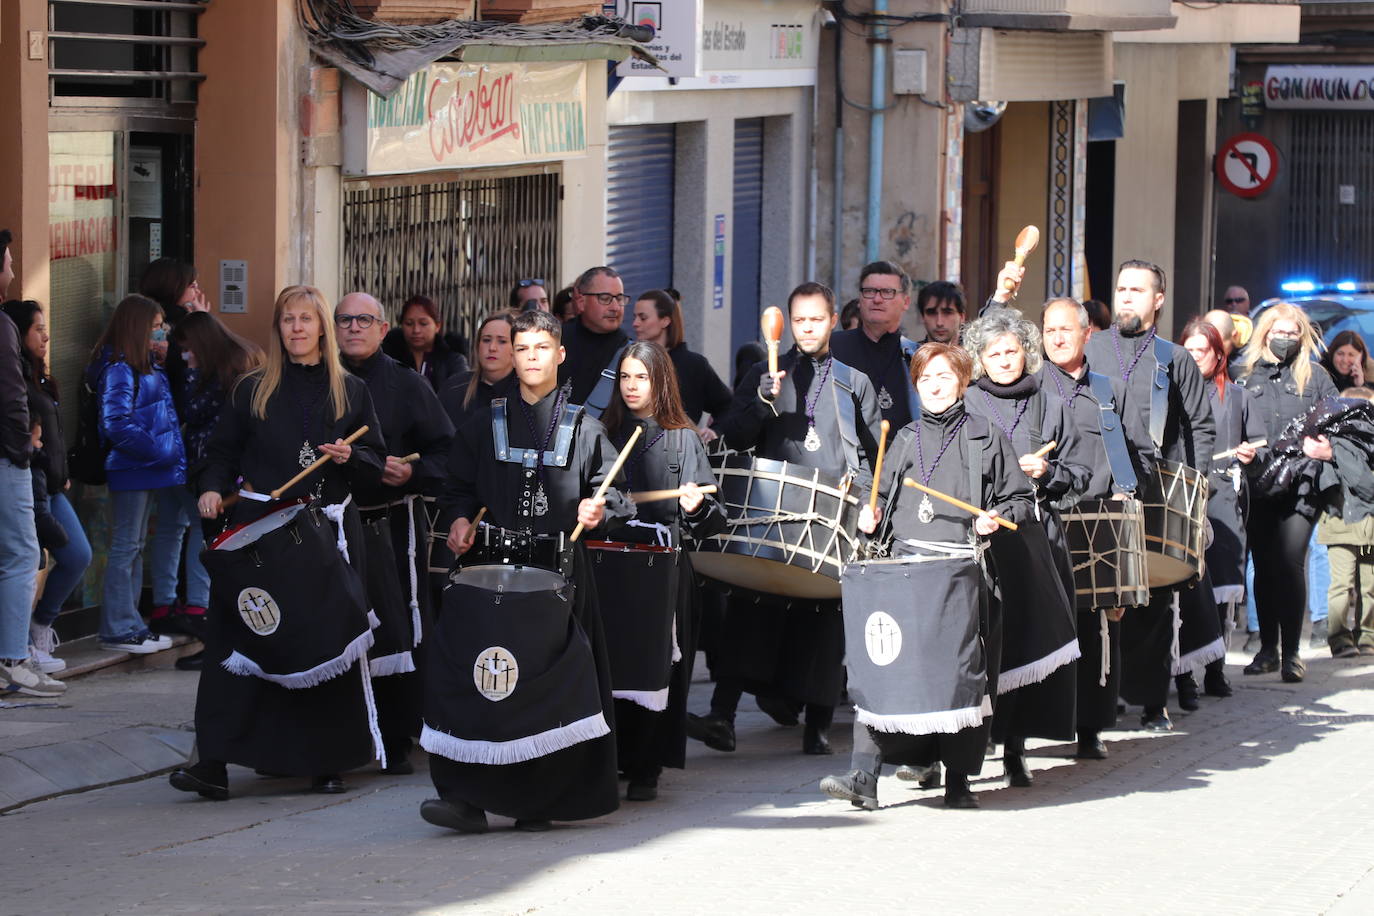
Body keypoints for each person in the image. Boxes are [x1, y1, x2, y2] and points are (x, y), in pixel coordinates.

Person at [420, 309, 634, 834]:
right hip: (489, 570)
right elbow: (457, 490)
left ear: (560, 354)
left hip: (557, 572)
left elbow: (619, 494)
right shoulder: (484, 422)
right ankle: (464, 799)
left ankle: (538, 801)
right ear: (512, 356)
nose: (531, 357)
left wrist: (598, 508)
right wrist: (458, 520)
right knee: (478, 682)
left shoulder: (586, 427)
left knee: (546, 691)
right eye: (522, 348)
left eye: (542, 348)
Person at [170, 285, 387, 800]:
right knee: (234, 643)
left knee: (324, 647)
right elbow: (221, 453)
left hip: (321, 536)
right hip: (258, 535)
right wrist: (208, 488)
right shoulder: (251, 389)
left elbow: (376, 464)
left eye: (306, 319)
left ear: (321, 329)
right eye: (288, 319)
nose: (296, 328)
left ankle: (326, 761)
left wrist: (348, 459)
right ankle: (213, 763)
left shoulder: (350, 391)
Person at [819, 343, 1034, 809]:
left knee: (958, 677)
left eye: (943, 377)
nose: (934, 387)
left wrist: (993, 516)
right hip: (903, 570)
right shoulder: (904, 438)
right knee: (883, 665)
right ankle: (864, 777)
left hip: (959, 572)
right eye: (925, 379)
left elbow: (1021, 500)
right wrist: (867, 514)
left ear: (961, 381)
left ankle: (958, 781)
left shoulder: (986, 435)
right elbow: (878, 500)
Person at [691, 282, 881, 755]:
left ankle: (816, 727)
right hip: (770, 510)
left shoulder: (853, 381)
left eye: (817, 319)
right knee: (750, 609)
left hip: (828, 515)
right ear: (789, 325)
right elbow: (733, 435)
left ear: (833, 321)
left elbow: (877, 452)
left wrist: (860, 488)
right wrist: (761, 402)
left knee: (823, 619)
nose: (808, 327)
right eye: (800, 320)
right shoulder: (765, 371)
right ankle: (723, 716)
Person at [1080, 260, 1215, 731]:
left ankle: (1154, 703)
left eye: (1138, 290)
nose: (1126, 298)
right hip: (1098, 486)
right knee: (1103, 594)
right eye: (1121, 289)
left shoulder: (1174, 357)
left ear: (1158, 299)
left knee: (1154, 597)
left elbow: (1201, 425)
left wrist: (1199, 492)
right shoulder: (1090, 347)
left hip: (1158, 489)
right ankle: (1108, 694)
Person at [962, 307, 1086, 787]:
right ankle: (961, 746)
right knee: (975, 644)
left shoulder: (1050, 402)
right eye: (994, 353)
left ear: (1026, 353)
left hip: (1036, 537)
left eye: (1012, 351)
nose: (1004, 360)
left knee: (1024, 641)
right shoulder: (966, 401)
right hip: (981, 538)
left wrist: (1048, 473)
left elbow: (1080, 475)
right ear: (980, 358)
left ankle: (1015, 747)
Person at [599, 341, 726, 801]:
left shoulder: (682, 437)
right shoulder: (601, 432)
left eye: (643, 378)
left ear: (661, 382)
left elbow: (714, 519)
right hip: (609, 567)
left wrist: (696, 507)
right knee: (610, 664)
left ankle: (647, 764)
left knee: (659, 665)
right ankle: (609, 754)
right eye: (626, 377)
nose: (633, 387)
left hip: (664, 570)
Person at [336, 291, 455, 774]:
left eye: (364, 320)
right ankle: (338, 737)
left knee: (394, 630)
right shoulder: (318, 382)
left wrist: (413, 473)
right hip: (329, 527)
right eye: (344, 320)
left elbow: (447, 454)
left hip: (390, 525)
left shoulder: (406, 385)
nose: (354, 328)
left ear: (384, 329)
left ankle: (397, 735)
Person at [1038, 297, 1141, 759]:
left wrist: (1130, 497)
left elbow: (1139, 453)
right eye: (1049, 330)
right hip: (1048, 520)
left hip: (1101, 519)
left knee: (1101, 626)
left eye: (1066, 329)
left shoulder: (1110, 389)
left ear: (1087, 334)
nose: (1057, 338)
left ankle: (1092, 727)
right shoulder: (1030, 387)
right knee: (1049, 623)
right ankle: (1044, 721)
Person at [1236, 302, 1338, 682]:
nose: (1286, 338)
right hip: (1260, 481)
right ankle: (1267, 648)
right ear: (1264, 333)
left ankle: (1293, 651)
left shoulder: (1317, 377)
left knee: (1291, 560)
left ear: (1303, 337)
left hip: (1302, 483)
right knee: (1263, 565)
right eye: (1279, 331)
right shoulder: (1246, 376)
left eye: (1293, 333)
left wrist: (1324, 449)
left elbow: (1336, 423)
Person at [87, 294, 186, 654]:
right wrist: (158, 450)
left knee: (134, 546)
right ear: (138, 328)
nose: (163, 334)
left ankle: (130, 622)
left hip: (145, 468)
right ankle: (118, 627)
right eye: (157, 327)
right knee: (126, 546)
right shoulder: (119, 368)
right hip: (132, 467)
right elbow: (116, 422)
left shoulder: (143, 366)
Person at [166, 311, 263, 670]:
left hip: (218, 475)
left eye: (189, 351)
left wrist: (188, 374)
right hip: (235, 476)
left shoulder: (222, 372)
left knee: (214, 550)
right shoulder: (246, 358)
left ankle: (216, 640)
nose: (187, 358)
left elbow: (192, 409)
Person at [3, 300, 92, 675]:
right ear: (19, 334)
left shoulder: (39, 375)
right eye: (38, 328)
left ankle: (40, 627)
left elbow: (49, 434)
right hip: (29, 481)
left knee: (77, 556)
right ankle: (18, 646)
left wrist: (62, 469)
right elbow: (25, 435)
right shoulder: (15, 378)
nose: (46, 335)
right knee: (27, 560)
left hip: (52, 486)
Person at [1179, 318, 1264, 701]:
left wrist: (1251, 454)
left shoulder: (1239, 396)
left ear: (1219, 353)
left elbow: (1261, 447)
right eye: (1190, 350)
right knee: (1183, 582)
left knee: (1221, 586)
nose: (1196, 358)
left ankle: (1216, 669)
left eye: (1203, 351)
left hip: (1223, 498)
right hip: (1182, 494)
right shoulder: (1169, 393)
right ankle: (1182, 675)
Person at [139, 259, 212, 643]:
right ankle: (197, 606)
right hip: (181, 437)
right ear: (174, 288)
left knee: (172, 521)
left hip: (163, 438)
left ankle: (166, 604)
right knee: (199, 521)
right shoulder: (174, 330)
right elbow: (202, 375)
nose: (198, 290)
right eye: (191, 283)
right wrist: (204, 323)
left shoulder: (146, 323)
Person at [0, 229, 50, 696]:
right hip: (5, 460)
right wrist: (22, 450)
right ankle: (13, 660)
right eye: (9, 263)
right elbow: (12, 397)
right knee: (21, 556)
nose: (13, 271)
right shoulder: (2, 326)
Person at [1314, 386, 1374, 656]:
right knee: (1341, 584)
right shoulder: (1335, 442)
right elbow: (1362, 482)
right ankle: (1339, 639)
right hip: (1341, 523)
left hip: (1368, 524)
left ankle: (1368, 636)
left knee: (1369, 585)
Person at [830, 260, 922, 431]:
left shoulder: (918, 358)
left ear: (906, 302)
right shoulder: (833, 348)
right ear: (860, 299)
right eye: (869, 291)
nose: (877, 299)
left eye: (887, 292)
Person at [630, 289, 732, 433]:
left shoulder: (694, 365)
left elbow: (728, 407)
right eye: (634, 317)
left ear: (665, 321)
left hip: (680, 451)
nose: (635, 323)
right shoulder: (630, 360)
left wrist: (714, 431)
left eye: (643, 317)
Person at [559, 266, 630, 406]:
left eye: (619, 298)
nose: (615, 307)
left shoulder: (630, 352)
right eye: (605, 298)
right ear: (581, 302)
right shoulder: (556, 341)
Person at [382, 294, 468, 393]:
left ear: (437, 326)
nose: (416, 330)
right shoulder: (388, 359)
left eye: (423, 323)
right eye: (409, 323)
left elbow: (460, 398)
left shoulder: (453, 361)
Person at [916, 280, 966, 345]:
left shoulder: (976, 354)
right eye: (932, 313)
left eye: (947, 313)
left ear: (962, 317)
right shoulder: (911, 354)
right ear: (922, 317)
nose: (939, 323)